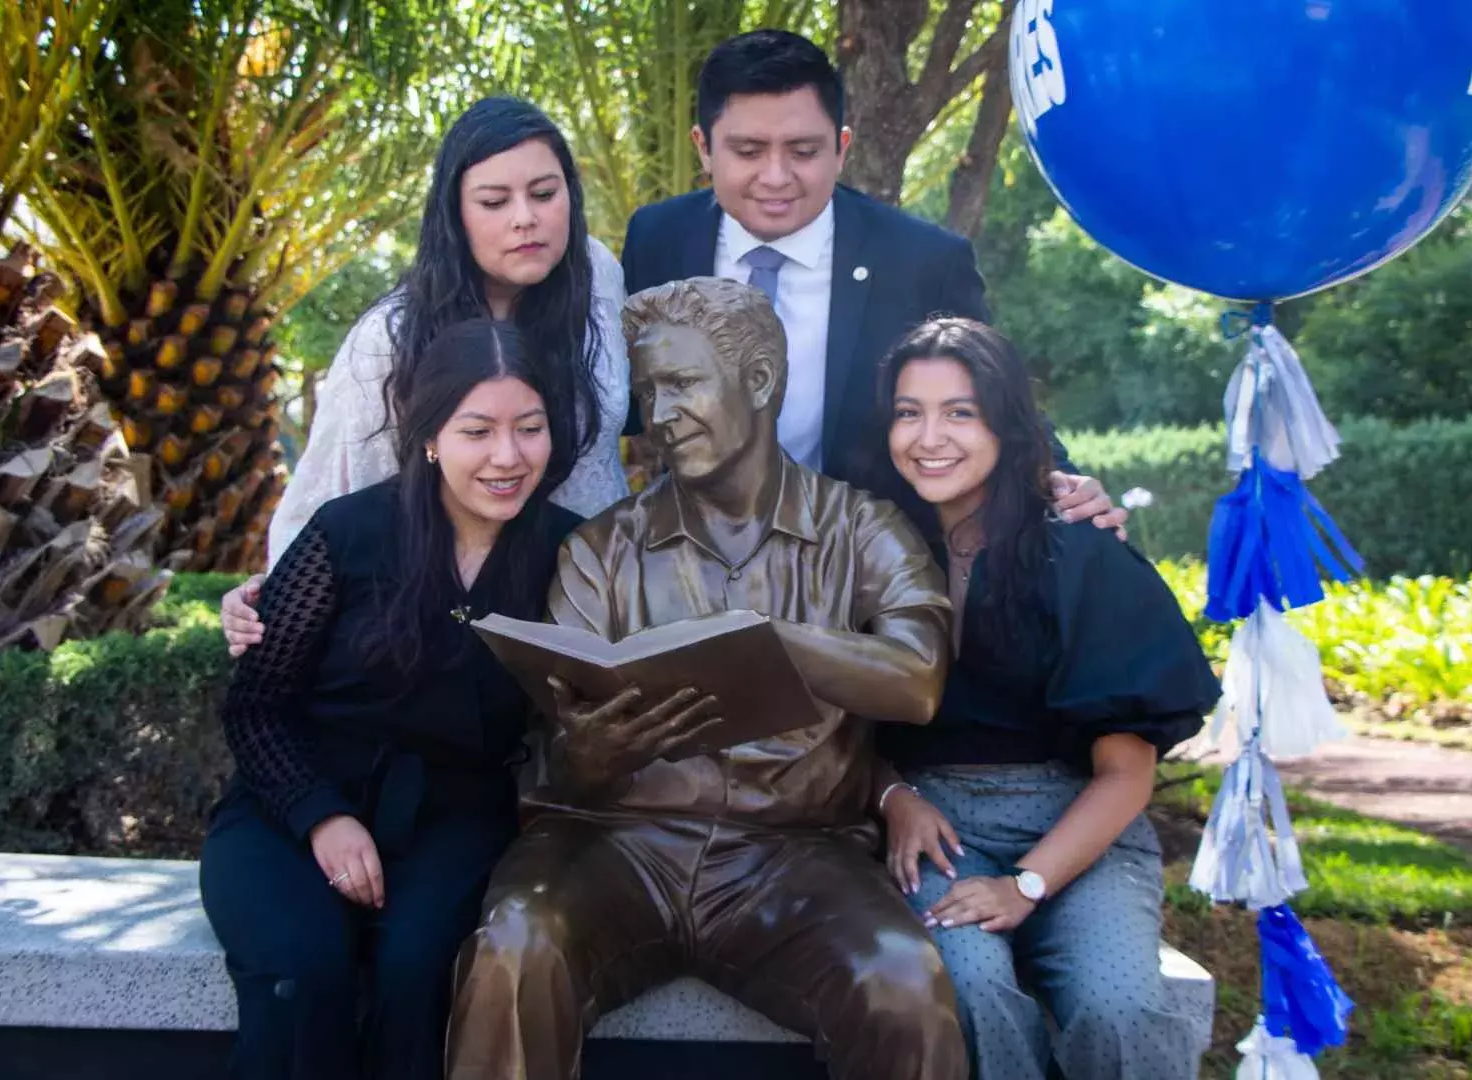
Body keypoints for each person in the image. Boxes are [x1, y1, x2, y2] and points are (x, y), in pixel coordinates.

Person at [446, 278, 967, 1080]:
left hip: (796, 856)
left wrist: (766, 640)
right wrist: (592, 750)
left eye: (683, 384)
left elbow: (918, 679)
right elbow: (562, 746)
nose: (660, 415)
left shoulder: (863, 529)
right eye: (649, 392)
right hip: (613, 844)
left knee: (903, 984)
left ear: (758, 381)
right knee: (516, 948)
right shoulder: (601, 549)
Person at [199, 319, 587, 1079]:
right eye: (478, 431)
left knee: (418, 979)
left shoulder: (573, 553)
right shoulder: (349, 532)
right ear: (432, 435)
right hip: (292, 807)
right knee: (301, 975)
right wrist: (323, 818)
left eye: (529, 429)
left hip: (456, 819)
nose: (507, 457)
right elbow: (256, 707)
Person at [870, 318, 1221, 1079]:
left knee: (1119, 1007)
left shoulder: (1079, 550)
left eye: (960, 411)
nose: (929, 437)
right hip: (936, 828)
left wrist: (1025, 884)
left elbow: (1126, 774)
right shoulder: (871, 548)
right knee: (966, 989)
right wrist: (892, 793)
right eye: (908, 411)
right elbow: (834, 720)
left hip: (1078, 825)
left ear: (1007, 423)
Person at [619, 28, 1124, 532]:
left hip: (874, 563)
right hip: (698, 554)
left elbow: (995, 397)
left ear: (841, 149)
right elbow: (627, 397)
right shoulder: (658, 239)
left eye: (803, 151)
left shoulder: (922, 261)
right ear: (704, 148)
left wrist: (1061, 479)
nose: (776, 176)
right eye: (749, 151)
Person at [219, 96, 627, 653]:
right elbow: (334, 499)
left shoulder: (598, 279)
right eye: (493, 200)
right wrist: (278, 596)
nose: (524, 218)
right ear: (454, 215)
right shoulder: (390, 341)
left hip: (593, 615)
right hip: (447, 636)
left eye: (544, 193)